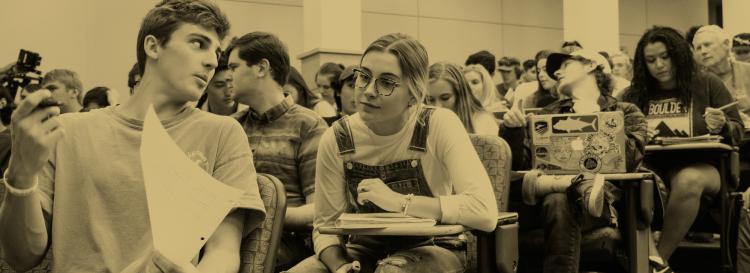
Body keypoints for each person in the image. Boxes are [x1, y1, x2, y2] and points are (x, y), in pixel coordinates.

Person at [0, 1, 267, 272]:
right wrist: (21, 173)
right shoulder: (67, 132)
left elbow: (224, 251)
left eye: (216, 51)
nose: (212, 61)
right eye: (198, 43)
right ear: (153, 47)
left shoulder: (222, 134)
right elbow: (20, 257)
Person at [287, 33, 498, 273]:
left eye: (386, 83)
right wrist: (341, 266)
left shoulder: (438, 124)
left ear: (414, 93)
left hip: (435, 246)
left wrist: (399, 202)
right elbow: (324, 226)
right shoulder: (337, 137)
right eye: (363, 77)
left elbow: (484, 211)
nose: (368, 91)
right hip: (361, 250)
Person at [502, 48, 652, 273]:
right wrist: (513, 130)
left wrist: (593, 118)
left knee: (559, 201)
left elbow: (629, 161)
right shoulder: (547, 114)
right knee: (554, 199)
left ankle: (575, 186)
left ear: (590, 65)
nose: (557, 73)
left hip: (600, 202)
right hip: (541, 198)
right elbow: (521, 165)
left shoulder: (624, 111)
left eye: (564, 65)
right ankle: (570, 184)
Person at [621, 26, 744, 266]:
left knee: (688, 180)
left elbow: (738, 131)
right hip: (651, 167)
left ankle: (656, 263)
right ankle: (651, 259)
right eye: (651, 60)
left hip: (704, 167)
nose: (659, 65)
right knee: (634, 183)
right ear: (642, 64)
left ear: (678, 54)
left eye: (665, 57)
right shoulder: (633, 94)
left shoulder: (707, 83)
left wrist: (723, 126)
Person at [226, 31, 328, 271]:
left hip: (288, 244)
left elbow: (319, 211)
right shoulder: (231, 126)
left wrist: (262, 215)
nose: (228, 76)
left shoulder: (309, 126)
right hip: (229, 238)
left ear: (261, 68)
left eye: (234, 67)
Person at [693, 25, 750, 127]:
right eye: (698, 48)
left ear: (726, 44)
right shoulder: (697, 81)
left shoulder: (747, 70)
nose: (703, 51)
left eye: (707, 45)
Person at [427, 62, 499, 136]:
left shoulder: (483, 122)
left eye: (445, 98)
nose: (437, 106)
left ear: (460, 96)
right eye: (430, 100)